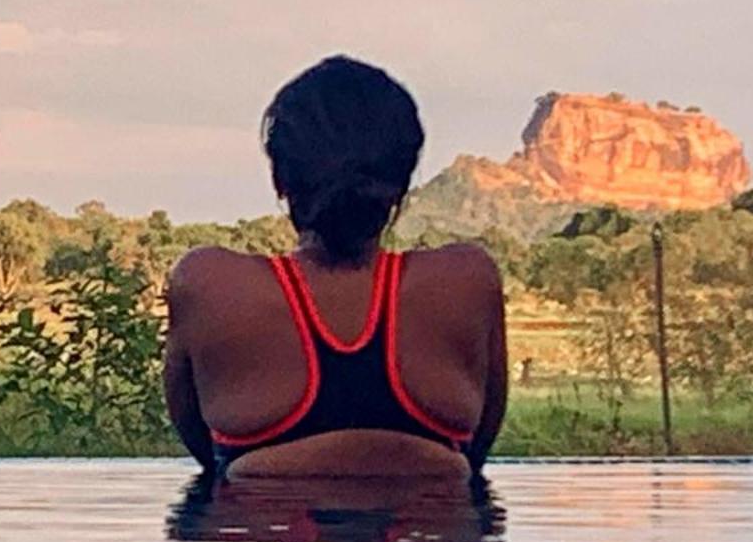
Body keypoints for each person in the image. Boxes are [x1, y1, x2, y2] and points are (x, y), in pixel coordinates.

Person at [164, 57, 507, 480]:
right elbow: (476, 457)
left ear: (280, 180)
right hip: (429, 532)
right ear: (402, 183)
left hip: (259, 534)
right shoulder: (467, 281)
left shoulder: (208, 283)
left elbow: (206, 460)